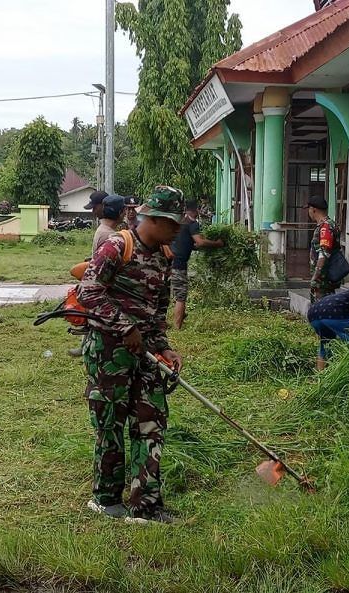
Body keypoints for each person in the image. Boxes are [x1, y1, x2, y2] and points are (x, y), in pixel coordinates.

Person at [77, 185, 184, 524]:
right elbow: (89, 291)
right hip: (109, 351)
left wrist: (164, 345)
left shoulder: (163, 256)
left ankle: (145, 506)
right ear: (154, 218)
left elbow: (157, 310)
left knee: (151, 424)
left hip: (146, 352)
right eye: (173, 224)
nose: (178, 230)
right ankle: (106, 499)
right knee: (110, 423)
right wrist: (126, 326)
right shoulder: (117, 245)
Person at [171, 200, 224, 329]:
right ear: (197, 210)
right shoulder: (192, 223)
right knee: (181, 296)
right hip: (179, 264)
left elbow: (189, 243)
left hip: (169, 261)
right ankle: (177, 327)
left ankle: (179, 317)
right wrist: (217, 244)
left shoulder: (179, 221)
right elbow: (199, 242)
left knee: (173, 293)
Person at [307, 195, 343, 303]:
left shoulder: (325, 227)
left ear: (314, 210)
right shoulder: (330, 224)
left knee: (321, 307)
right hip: (327, 276)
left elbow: (324, 253)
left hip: (323, 278)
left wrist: (316, 275)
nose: (308, 212)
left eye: (309, 209)